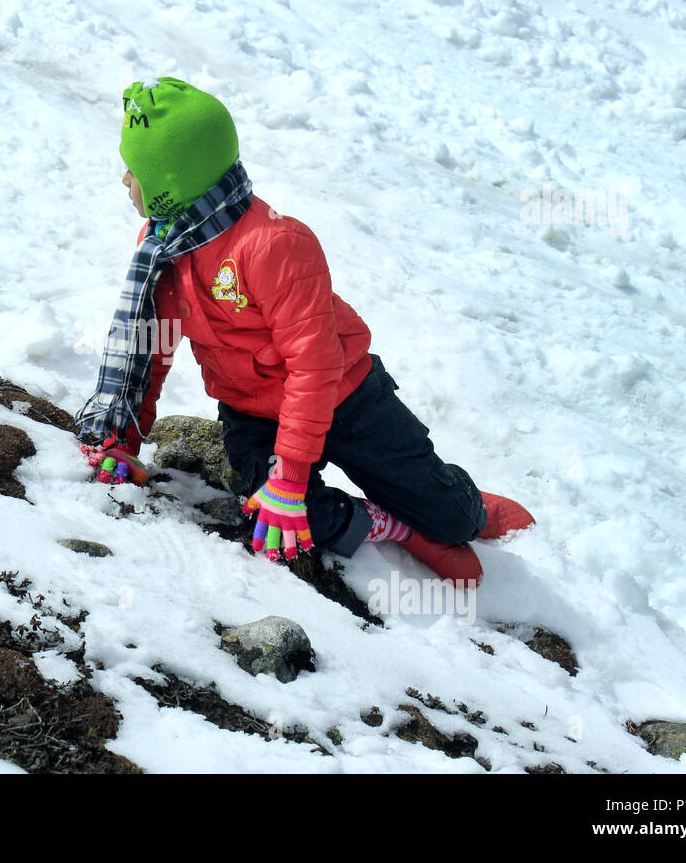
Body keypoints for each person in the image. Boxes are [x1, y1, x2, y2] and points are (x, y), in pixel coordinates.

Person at [74, 77, 534, 586]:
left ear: (170, 180)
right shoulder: (162, 249)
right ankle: (400, 529)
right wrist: (124, 436)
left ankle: (464, 508)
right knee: (276, 525)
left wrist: (291, 475)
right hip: (254, 415)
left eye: (134, 171)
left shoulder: (275, 244)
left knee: (451, 518)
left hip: (348, 399)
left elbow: (313, 365)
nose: (124, 181)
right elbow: (150, 348)